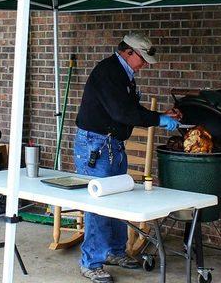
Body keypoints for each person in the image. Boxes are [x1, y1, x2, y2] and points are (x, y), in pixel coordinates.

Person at [74, 32, 181, 283]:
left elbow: (129, 109)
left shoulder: (124, 74)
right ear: (128, 52)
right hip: (95, 145)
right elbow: (122, 112)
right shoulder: (108, 72)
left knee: (118, 200)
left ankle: (115, 251)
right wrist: (159, 120)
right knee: (98, 205)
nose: (144, 64)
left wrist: (160, 115)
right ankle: (91, 263)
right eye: (142, 58)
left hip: (112, 143)